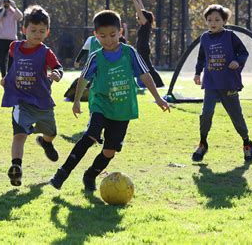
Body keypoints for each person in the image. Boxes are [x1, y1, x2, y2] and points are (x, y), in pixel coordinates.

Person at [49, 10, 170, 191]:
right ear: (95, 36)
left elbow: (145, 75)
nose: (108, 40)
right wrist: (75, 102)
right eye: (102, 36)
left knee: (109, 151)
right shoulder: (95, 57)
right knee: (89, 137)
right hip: (101, 104)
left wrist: (158, 97)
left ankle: (90, 174)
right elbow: (83, 79)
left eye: (112, 35)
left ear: (120, 32)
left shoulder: (130, 53)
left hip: (122, 109)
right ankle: (62, 174)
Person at [1, 5, 63, 186]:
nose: (37, 34)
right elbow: (11, 63)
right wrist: (7, 77)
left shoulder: (45, 52)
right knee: (19, 134)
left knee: (51, 132)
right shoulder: (14, 47)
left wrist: (57, 75)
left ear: (47, 32)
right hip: (21, 101)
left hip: (42, 102)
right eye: (33, 30)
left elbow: (58, 67)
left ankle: (46, 143)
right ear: (23, 29)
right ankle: (16, 167)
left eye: (41, 31)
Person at [192, 4, 252, 163]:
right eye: (209, 20)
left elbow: (243, 53)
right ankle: (203, 143)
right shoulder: (204, 38)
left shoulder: (230, 36)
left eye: (217, 19)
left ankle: (247, 143)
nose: (213, 22)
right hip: (211, 83)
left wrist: (237, 61)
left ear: (224, 21)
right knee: (206, 113)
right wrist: (197, 73)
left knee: (236, 116)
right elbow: (201, 58)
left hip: (228, 83)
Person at [130, 0, 164, 88]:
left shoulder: (146, 24)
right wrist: (140, 0)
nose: (138, 18)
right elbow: (143, 12)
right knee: (146, 67)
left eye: (139, 17)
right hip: (143, 48)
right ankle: (155, 83)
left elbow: (140, 12)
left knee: (148, 67)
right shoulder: (146, 24)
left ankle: (158, 83)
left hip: (143, 49)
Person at [0, 0, 23, 77]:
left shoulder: (13, 11)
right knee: (2, 59)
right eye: (5, 1)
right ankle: (3, 76)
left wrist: (14, 7)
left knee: (12, 58)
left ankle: (10, 75)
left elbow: (20, 17)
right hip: (1, 38)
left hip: (12, 39)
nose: (6, 3)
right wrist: (3, 9)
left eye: (8, 1)